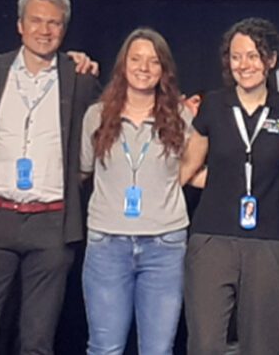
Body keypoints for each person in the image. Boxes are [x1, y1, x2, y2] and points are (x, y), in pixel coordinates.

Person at [0, 0, 102, 355]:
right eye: (36, 21)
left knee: (37, 342)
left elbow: (100, 138)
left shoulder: (80, 79)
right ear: (20, 25)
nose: (44, 30)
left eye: (54, 23)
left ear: (64, 29)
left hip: (51, 223)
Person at [178, 18, 279, 355]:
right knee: (205, 345)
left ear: (271, 60)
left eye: (253, 56)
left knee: (261, 346)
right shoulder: (213, 105)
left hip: (267, 241)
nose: (244, 65)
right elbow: (187, 169)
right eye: (236, 57)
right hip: (212, 238)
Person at [80, 28, 194, 355]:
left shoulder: (181, 116)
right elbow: (83, 171)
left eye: (153, 61)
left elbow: (193, 166)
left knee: (158, 350)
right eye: (136, 59)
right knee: (105, 348)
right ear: (123, 64)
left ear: (163, 70)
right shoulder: (97, 115)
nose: (144, 68)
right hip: (107, 244)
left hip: (165, 246)